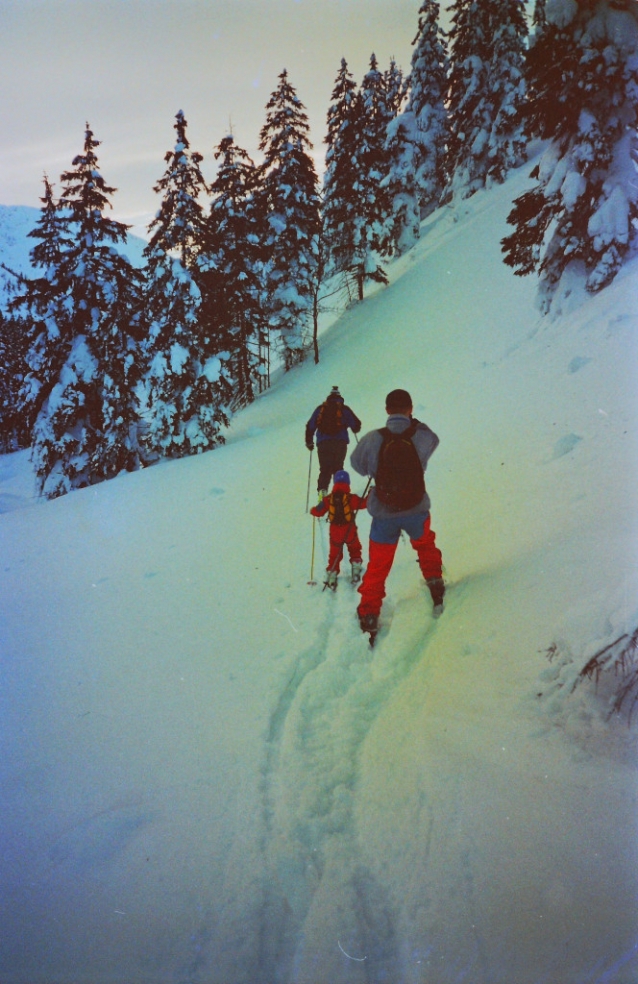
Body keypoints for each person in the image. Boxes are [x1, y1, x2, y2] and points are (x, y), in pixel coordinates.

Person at [350, 388, 444, 636]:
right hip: (416, 510)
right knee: (425, 545)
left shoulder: (373, 438)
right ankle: (435, 580)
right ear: (410, 409)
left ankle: (369, 612)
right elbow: (433, 441)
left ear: (386, 410)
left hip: (384, 513)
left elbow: (357, 464)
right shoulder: (420, 435)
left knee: (378, 566)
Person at [310, 470, 368, 589]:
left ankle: (332, 574)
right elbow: (364, 503)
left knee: (334, 553)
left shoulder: (328, 499)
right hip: (349, 530)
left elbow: (317, 511)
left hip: (335, 532)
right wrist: (371, 493)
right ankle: (356, 567)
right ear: (348, 483)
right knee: (354, 548)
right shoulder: (351, 498)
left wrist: (313, 510)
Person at [305, 387, 362, 499]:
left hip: (323, 443)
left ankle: (322, 492)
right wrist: (353, 428)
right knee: (338, 467)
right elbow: (356, 424)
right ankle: (339, 494)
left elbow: (310, 426)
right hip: (340, 443)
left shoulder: (320, 409)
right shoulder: (344, 409)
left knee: (325, 469)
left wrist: (309, 442)